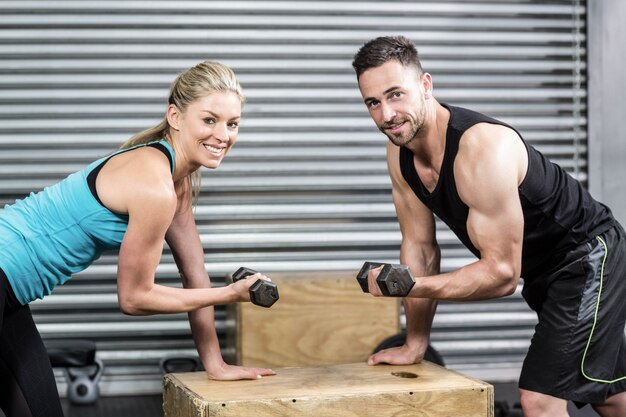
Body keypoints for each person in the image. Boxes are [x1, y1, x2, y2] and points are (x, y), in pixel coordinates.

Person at [352, 36, 626, 417]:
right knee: (606, 394)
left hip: (589, 255)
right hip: (546, 269)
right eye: (373, 102)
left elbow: (501, 274)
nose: (386, 115)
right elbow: (420, 249)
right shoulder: (400, 153)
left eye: (396, 94)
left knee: (539, 398)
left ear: (425, 85)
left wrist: (412, 285)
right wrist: (415, 342)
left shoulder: (480, 148)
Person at [0, 60, 275, 417]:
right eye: (209, 120)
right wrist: (231, 294)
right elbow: (134, 297)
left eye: (232, 123)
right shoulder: (154, 185)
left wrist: (216, 364)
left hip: (11, 294)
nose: (223, 135)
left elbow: (195, 274)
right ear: (175, 117)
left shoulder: (177, 185)